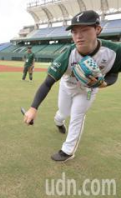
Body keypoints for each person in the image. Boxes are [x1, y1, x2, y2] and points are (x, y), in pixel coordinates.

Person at [23, 10, 121, 162]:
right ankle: (59, 121)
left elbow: (114, 73)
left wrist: (104, 83)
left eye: (84, 30)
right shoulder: (67, 55)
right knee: (63, 112)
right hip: (67, 86)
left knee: (77, 114)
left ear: (98, 30)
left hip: (88, 90)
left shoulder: (115, 51)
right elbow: (48, 82)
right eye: (74, 32)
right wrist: (33, 108)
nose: (78, 36)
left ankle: (67, 151)